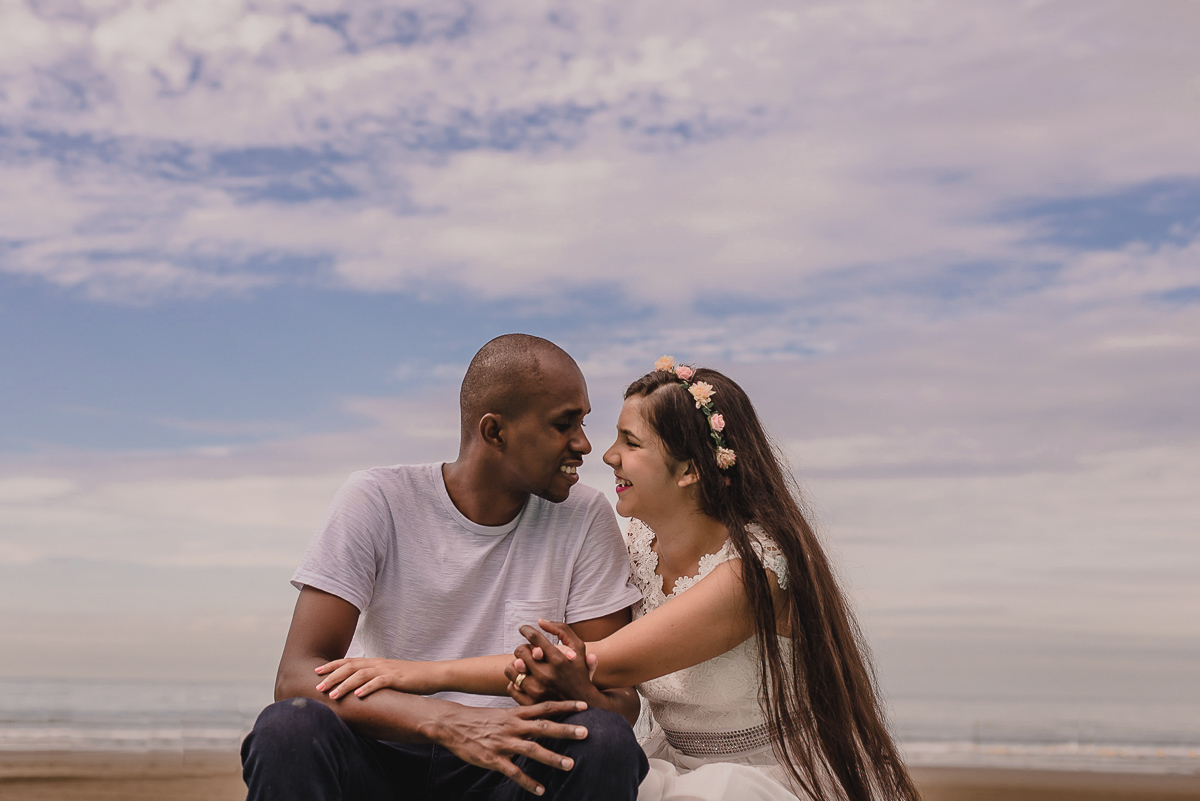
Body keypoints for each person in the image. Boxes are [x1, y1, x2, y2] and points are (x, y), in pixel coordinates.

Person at [314, 357, 923, 801]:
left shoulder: (753, 575)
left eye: (629, 443)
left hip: (758, 776)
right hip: (671, 764)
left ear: (688, 471)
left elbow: (602, 661)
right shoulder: (629, 543)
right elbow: (587, 678)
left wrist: (410, 672)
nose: (604, 456)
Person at [240, 334, 648, 801]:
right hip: (386, 751)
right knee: (288, 727)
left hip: (512, 766)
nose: (584, 444)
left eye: (583, 421)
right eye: (564, 424)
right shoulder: (378, 499)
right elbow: (296, 675)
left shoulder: (586, 515)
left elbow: (618, 704)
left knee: (603, 739)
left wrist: (582, 694)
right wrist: (449, 721)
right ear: (494, 432)